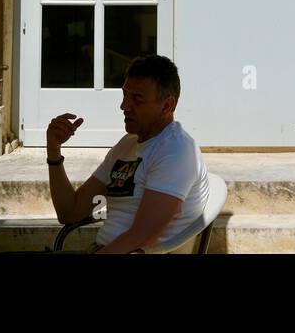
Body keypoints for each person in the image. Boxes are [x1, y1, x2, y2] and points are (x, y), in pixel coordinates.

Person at [46, 54, 209, 254]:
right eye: (125, 95)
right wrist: (53, 150)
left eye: (137, 99)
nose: (124, 106)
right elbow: (70, 212)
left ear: (167, 105)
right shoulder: (127, 145)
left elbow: (142, 236)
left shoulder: (177, 151)